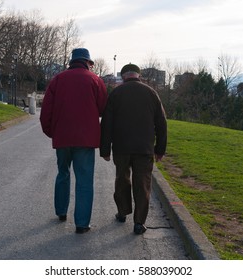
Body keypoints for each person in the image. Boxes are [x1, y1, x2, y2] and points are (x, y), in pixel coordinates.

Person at [40, 48, 108, 234]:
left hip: (62, 138)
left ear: (72, 61)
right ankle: (82, 223)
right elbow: (103, 108)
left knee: (63, 173)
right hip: (85, 139)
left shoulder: (58, 80)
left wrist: (52, 132)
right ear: (87, 62)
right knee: (84, 180)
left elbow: (46, 111)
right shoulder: (95, 80)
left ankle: (61, 211)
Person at [100, 63, 167, 234]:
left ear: (123, 76)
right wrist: (160, 149)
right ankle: (139, 222)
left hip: (121, 147)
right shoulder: (152, 93)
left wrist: (105, 149)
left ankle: (122, 212)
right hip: (144, 148)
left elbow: (107, 123)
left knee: (122, 180)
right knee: (142, 184)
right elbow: (161, 123)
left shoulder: (116, 93)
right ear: (139, 75)